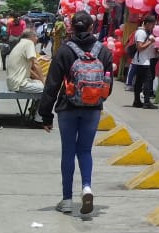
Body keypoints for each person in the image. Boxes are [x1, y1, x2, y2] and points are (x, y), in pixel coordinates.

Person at [38, 12, 113, 215]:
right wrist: (95, 100)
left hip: (67, 108)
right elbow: (108, 85)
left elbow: (52, 84)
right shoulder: (104, 52)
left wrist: (46, 114)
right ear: (91, 28)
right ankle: (87, 187)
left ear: (71, 27)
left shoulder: (64, 50)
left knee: (68, 152)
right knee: (85, 150)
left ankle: (67, 199)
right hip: (93, 109)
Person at [129, 15, 158, 109]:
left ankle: (137, 101)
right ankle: (146, 102)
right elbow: (140, 47)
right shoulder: (141, 32)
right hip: (142, 61)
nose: (153, 27)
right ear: (148, 24)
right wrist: (150, 41)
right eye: (153, 25)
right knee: (147, 81)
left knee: (139, 81)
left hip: (141, 61)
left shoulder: (144, 32)